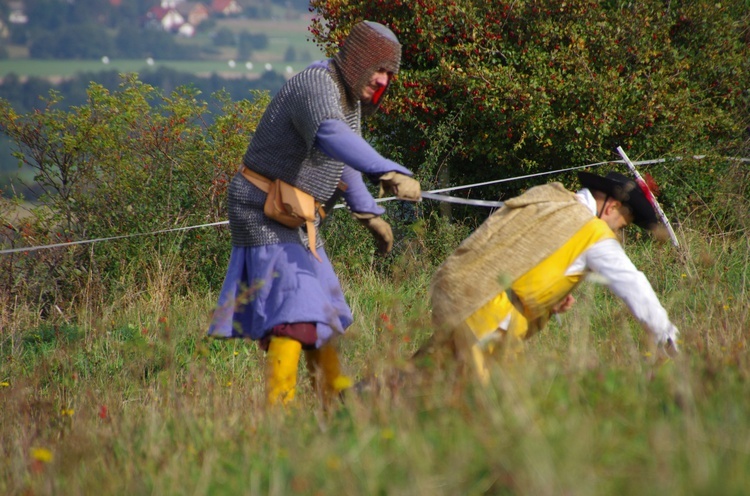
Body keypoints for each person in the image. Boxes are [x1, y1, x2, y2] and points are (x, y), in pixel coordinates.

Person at [208, 21, 421, 407]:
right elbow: (331, 137)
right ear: (358, 60)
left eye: (390, 74)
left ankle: (335, 401)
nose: (384, 81)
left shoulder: (349, 99)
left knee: (322, 314)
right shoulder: (316, 84)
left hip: (298, 218)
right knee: (295, 312)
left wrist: (369, 212)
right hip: (264, 210)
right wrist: (388, 170)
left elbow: (343, 161)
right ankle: (278, 410)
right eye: (380, 69)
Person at [425, 171, 680, 380]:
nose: (617, 233)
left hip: (463, 304)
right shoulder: (591, 231)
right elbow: (631, 282)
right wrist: (665, 335)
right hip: (494, 323)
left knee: (427, 388)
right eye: (621, 225)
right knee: (489, 413)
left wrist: (549, 298)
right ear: (612, 207)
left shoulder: (552, 202)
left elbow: (520, 257)